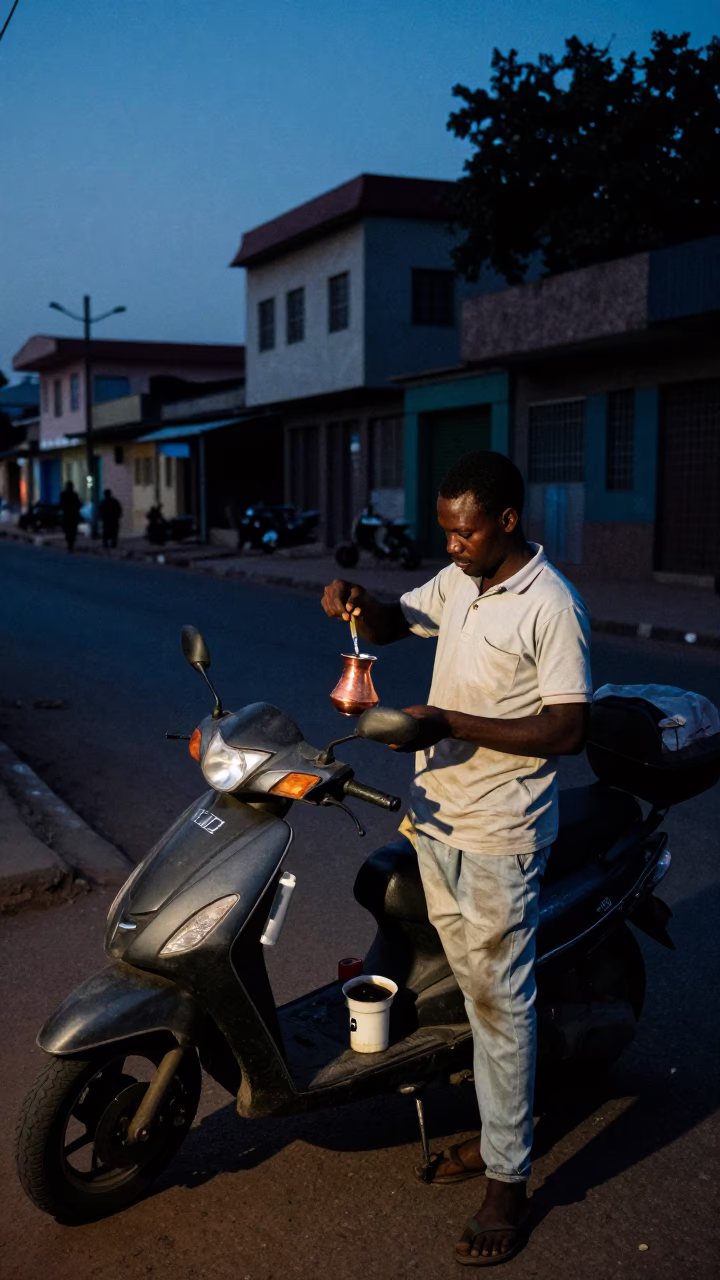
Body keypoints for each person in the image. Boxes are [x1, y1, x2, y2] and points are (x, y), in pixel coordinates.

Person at [321, 451, 592, 1266]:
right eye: (444, 529)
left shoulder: (550, 603)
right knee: (468, 995)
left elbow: (567, 728)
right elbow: (406, 620)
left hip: (501, 835)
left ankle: (508, 1179)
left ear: (506, 521)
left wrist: (454, 724)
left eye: (464, 530)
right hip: (436, 821)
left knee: (501, 1007)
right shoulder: (459, 581)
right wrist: (361, 606)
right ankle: (492, 1128)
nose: (452, 544)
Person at [59, 480, 81, 553]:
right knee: (70, 530)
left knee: (70, 530)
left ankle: (70, 544)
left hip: (69, 516)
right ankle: (70, 543)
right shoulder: (71, 495)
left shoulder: (66, 494)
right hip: (70, 516)